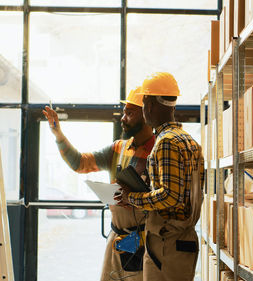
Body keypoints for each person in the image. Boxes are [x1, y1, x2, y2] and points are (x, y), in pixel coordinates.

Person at [42, 87, 155, 281]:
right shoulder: (118, 148)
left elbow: (166, 199)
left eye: (129, 113)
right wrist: (58, 135)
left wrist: (135, 200)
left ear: (145, 115)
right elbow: (80, 163)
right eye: (123, 112)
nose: (123, 118)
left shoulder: (158, 151)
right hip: (116, 238)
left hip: (143, 242)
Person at [114, 72, 205, 281]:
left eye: (144, 102)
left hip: (166, 242)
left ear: (150, 104)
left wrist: (132, 198)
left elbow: (169, 197)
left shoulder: (166, 142)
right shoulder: (189, 141)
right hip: (182, 240)